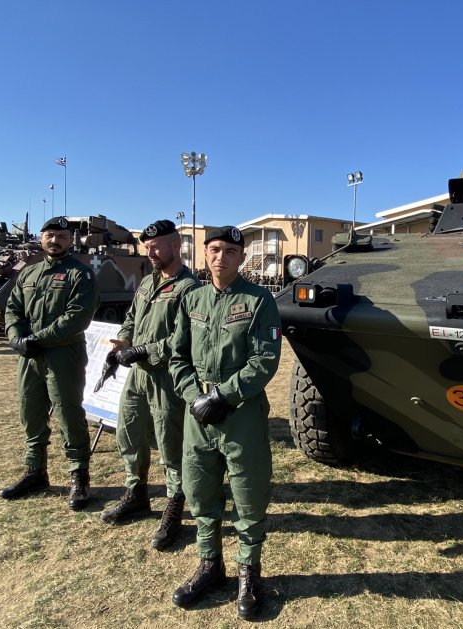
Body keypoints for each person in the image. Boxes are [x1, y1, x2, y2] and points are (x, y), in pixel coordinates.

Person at [168, 226, 281, 620]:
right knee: (199, 487)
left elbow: (265, 360)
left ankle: (249, 571)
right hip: (197, 409)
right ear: (204, 254)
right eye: (215, 250)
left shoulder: (259, 300)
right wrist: (194, 396)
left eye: (231, 251)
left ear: (241, 257)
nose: (221, 257)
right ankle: (209, 564)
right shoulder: (191, 298)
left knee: (248, 490)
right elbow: (176, 355)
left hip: (241, 411)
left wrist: (222, 396)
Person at [99, 219, 200, 550]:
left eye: (157, 246)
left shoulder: (191, 288)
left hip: (167, 378)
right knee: (129, 433)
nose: (151, 251)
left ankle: (174, 502)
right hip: (136, 375)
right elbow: (130, 318)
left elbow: (186, 340)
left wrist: (146, 350)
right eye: (147, 247)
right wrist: (122, 344)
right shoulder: (146, 282)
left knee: (171, 444)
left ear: (176, 245)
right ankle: (136, 492)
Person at [0, 216, 100, 510]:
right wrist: (16, 337)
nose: (55, 241)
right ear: (41, 238)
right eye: (49, 235)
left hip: (62, 355)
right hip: (29, 355)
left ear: (71, 241)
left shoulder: (80, 275)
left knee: (69, 414)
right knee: (30, 411)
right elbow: (13, 308)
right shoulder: (29, 274)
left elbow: (77, 317)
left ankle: (79, 477)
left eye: (62, 236)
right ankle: (35, 472)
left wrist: (37, 339)